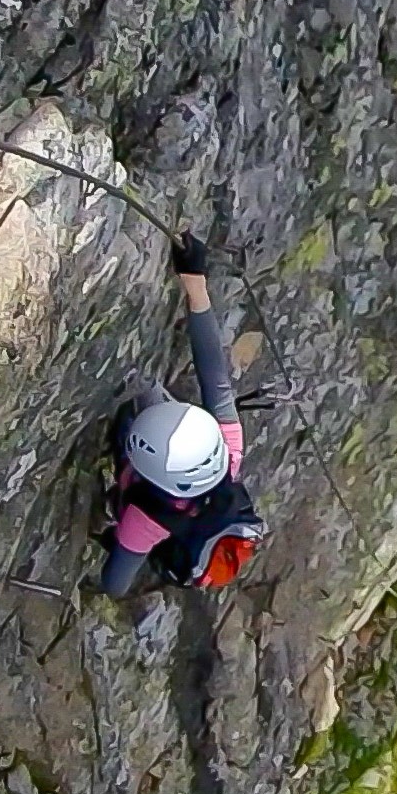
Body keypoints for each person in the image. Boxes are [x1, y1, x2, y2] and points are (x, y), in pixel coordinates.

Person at [99, 232, 266, 597]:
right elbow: (114, 584)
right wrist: (195, 285)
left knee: (142, 387)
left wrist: (124, 535)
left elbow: (215, 377)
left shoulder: (146, 519)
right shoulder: (226, 448)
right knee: (144, 388)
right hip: (152, 502)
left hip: (145, 503)